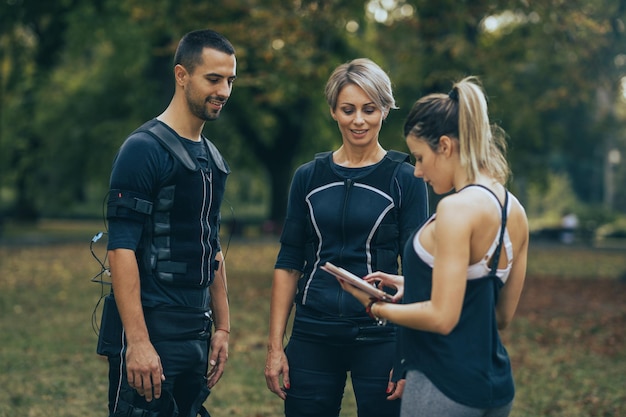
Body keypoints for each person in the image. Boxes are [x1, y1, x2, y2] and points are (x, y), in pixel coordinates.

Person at [338, 76, 529, 417]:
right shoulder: (512, 208)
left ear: (445, 146)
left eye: (421, 157)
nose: (418, 172)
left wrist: (374, 307)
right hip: (496, 388)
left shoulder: (456, 209)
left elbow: (443, 317)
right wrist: (413, 286)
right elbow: (498, 314)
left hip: (443, 387)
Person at [264, 58, 429, 417]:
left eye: (369, 109)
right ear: (333, 112)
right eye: (348, 109)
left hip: (382, 335)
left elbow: (419, 271)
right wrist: (276, 346)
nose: (359, 120)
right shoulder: (307, 177)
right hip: (312, 334)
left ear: (385, 109)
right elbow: (289, 262)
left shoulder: (406, 178)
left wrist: (408, 354)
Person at [99, 29, 236, 417]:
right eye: (213, 79)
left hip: (196, 331)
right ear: (181, 75)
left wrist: (222, 327)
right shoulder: (142, 150)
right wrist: (139, 343)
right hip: (150, 332)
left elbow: (211, 245)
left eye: (229, 80)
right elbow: (121, 248)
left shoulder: (212, 157)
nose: (224, 90)